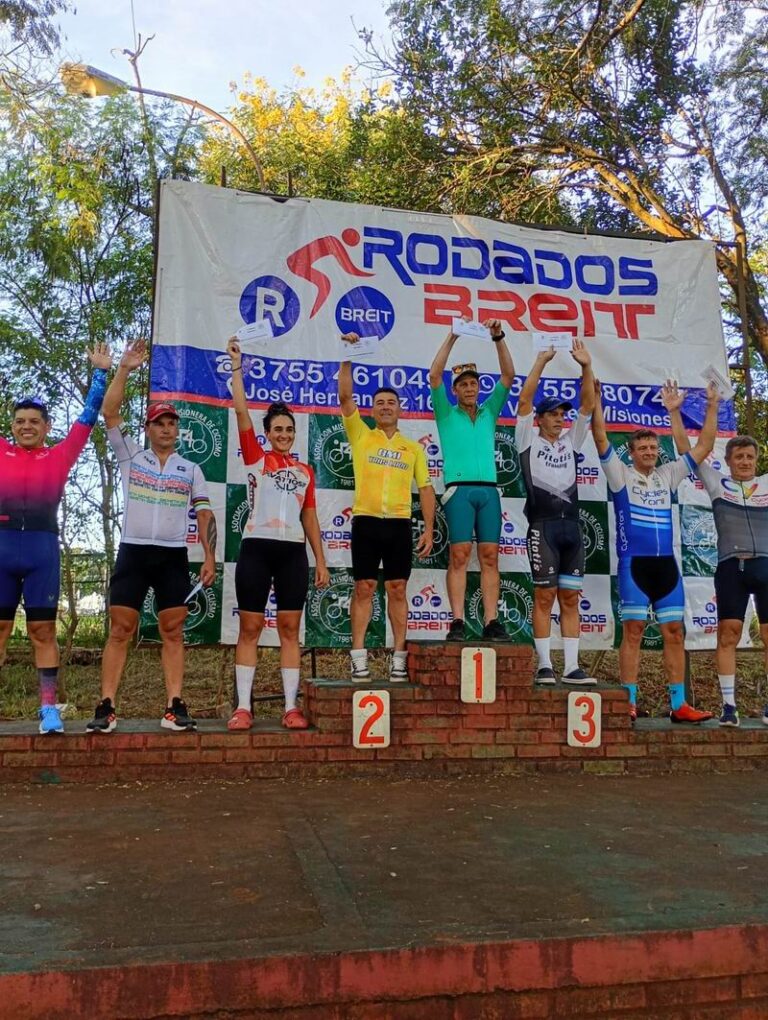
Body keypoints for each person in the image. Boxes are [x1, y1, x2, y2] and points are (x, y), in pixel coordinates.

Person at [87, 339, 216, 733]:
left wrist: (210, 556)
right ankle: (106, 705)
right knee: (121, 628)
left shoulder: (190, 469)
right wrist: (123, 368)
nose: (166, 428)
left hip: (172, 555)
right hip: (134, 553)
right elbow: (109, 412)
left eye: (171, 423)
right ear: (148, 429)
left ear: (177, 430)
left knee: (173, 630)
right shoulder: (130, 456)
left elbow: (205, 511)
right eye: (159, 423)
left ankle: (174, 705)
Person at [592, 378, 720, 724]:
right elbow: (601, 437)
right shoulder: (619, 475)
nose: (648, 453)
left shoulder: (669, 474)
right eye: (642, 449)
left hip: (667, 567)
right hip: (635, 566)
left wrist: (711, 405)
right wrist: (597, 400)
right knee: (632, 630)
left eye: (652, 448)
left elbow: (705, 445)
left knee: (674, 633)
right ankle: (628, 702)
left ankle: (678, 705)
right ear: (632, 453)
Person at [0, 345, 112, 733]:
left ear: (46, 426)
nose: (26, 426)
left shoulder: (59, 456)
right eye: (19, 421)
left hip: (42, 552)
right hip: (2, 549)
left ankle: (49, 709)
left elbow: (87, 418)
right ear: (11, 427)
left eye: (34, 421)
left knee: (42, 631)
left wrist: (100, 373)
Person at [225, 337, 329, 730]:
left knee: (289, 628)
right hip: (256, 550)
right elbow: (240, 412)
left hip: (292, 554)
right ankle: (244, 707)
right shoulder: (256, 458)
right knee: (251, 628)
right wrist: (237, 367)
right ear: (267, 433)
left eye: (289, 429)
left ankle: (290, 707)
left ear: (294, 434)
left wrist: (320, 559)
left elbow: (311, 519)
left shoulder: (306, 472)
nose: (283, 434)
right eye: (277, 429)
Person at [339, 335, 435, 680]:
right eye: (379, 403)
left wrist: (428, 527)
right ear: (373, 410)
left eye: (390, 403)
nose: (384, 407)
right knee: (364, 587)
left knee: (397, 588)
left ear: (399, 409)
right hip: (366, 521)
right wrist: (348, 355)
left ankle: (399, 656)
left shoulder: (413, 448)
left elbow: (425, 488)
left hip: (397, 524)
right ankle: (358, 655)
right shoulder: (362, 435)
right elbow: (345, 397)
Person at [669, 400, 768, 727]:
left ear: (756, 460)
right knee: (729, 634)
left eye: (749, 457)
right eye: (738, 457)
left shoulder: (766, 484)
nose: (744, 462)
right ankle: (729, 706)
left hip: (766, 567)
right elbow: (687, 449)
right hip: (731, 568)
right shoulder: (717, 483)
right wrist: (678, 411)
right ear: (728, 462)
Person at [428, 318, 515, 642]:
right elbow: (434, 374)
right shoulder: (446, 413)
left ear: (479, 387)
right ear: (455, 390)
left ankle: (492, 621)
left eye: (473, 383)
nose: (469, 388)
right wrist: (452, 334)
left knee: (491, 556)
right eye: (463, 384)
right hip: (460, 490)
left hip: (489, 491)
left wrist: (498, 337)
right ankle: (458, 621)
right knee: (460, 554)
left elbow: (508, 375)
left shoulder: (491, 411)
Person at [515, 341, 596, 684]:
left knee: (570, 598)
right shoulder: (527, 439)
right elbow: (523, 400)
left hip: (572, 529)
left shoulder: (571, 441)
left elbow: (588, 406)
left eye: (563, 415)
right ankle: (545, 664)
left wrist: (586, 367)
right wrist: (540, 361)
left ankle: (573, 667)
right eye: (554, 414)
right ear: (540, 419)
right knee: (544, 596)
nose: (561, 419)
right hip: (542, 527)